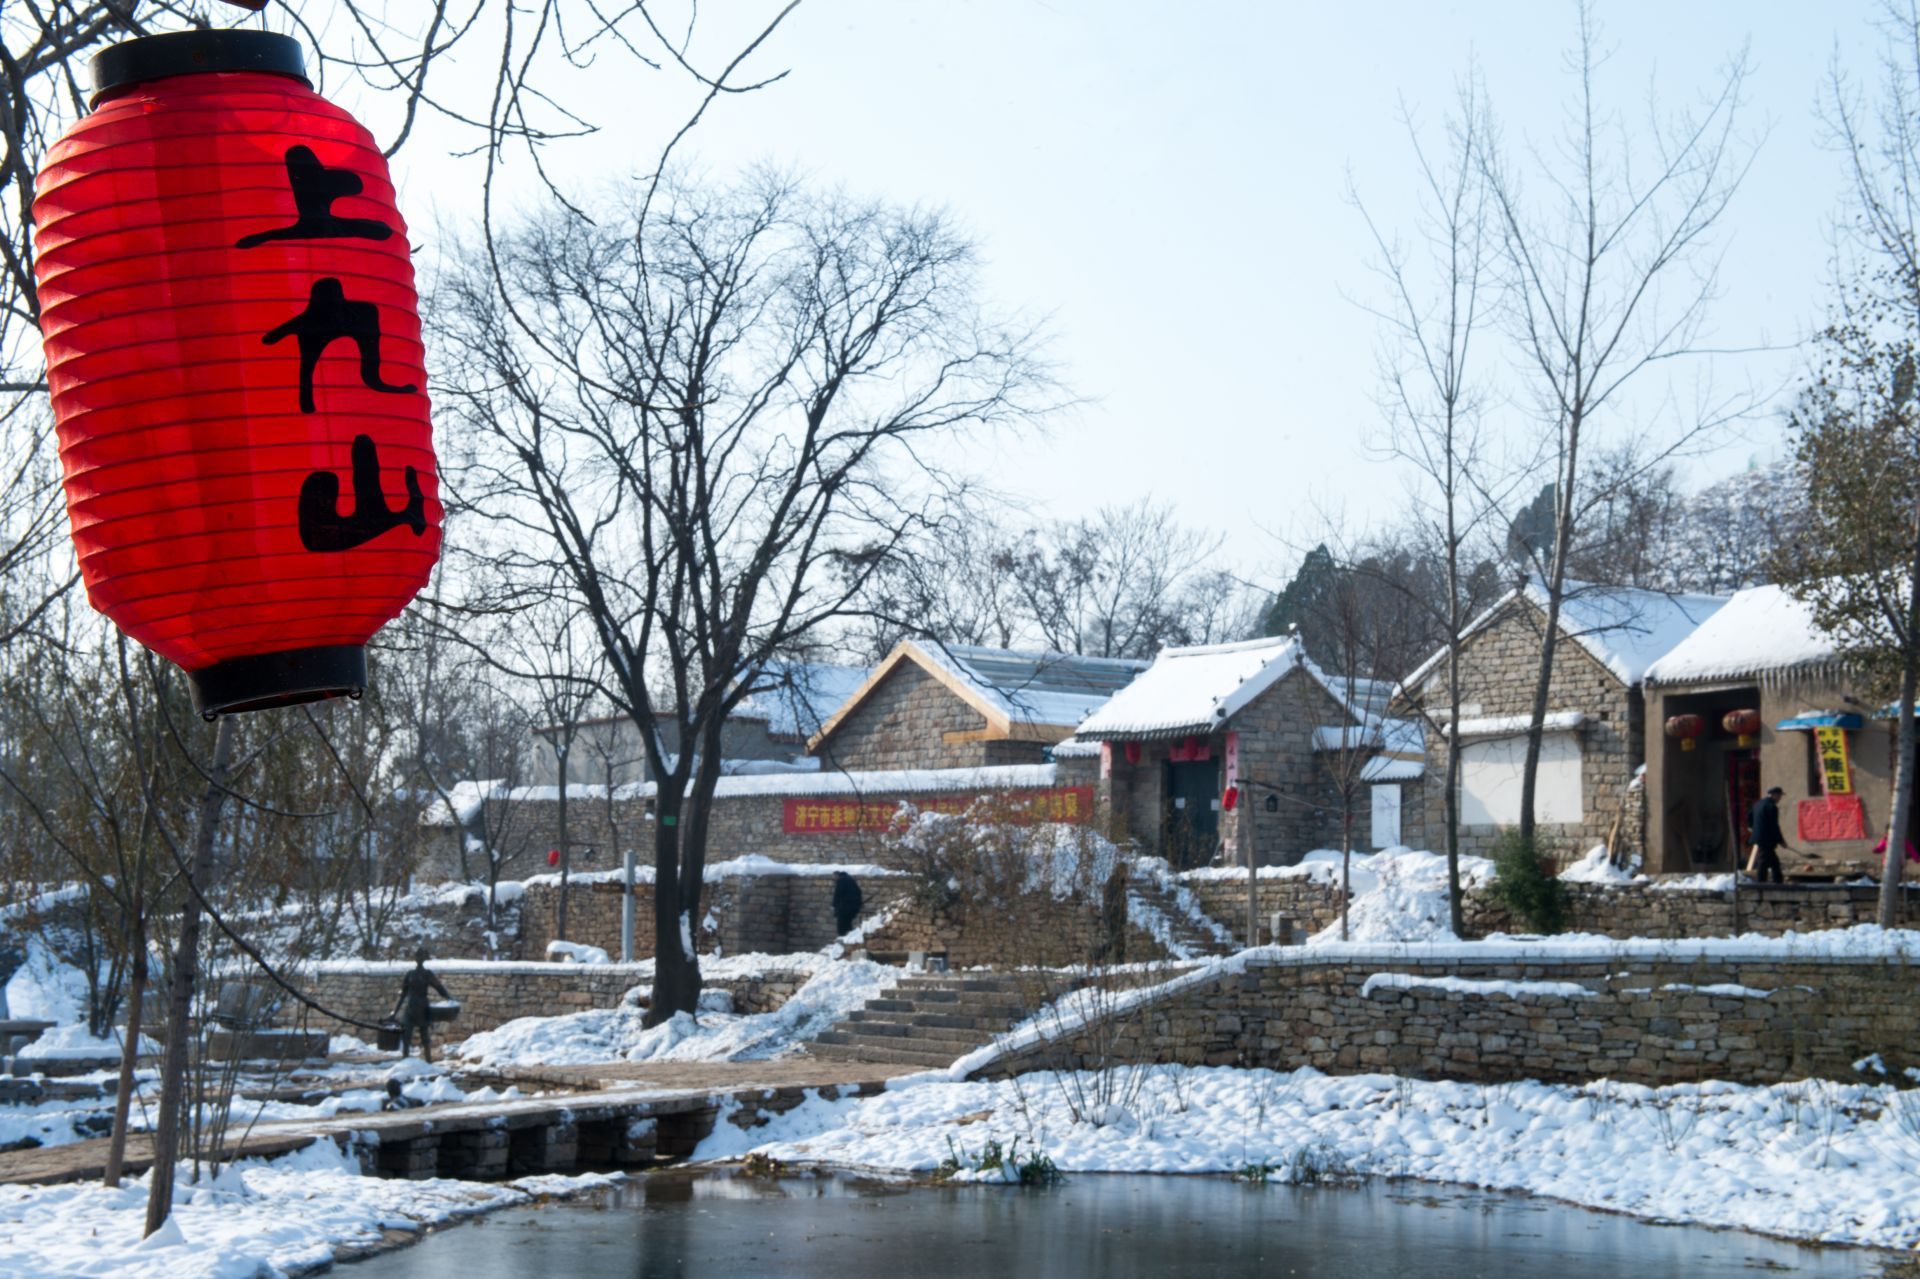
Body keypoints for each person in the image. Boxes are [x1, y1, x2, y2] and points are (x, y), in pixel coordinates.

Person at [391, 947, 451, 1062]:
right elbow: (403, 994)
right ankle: (405, 1061)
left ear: (424, 959)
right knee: (406, 1035)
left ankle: (428, 1061)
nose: (418, 958)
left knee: (425, 1036)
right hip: (410, 1008)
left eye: (420, 956)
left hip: (422, 1008)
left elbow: (439, 988)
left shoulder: (427, 974)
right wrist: (395, 1012)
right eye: (417, 956)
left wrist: (449, 998)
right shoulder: (410, 974)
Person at [1747, 786, 1790, 885]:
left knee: (1772, 861)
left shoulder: (1758, 804)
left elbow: (1749, 817)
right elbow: (1774, 826)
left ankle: (1776, 880)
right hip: (1766, 839)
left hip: (1760, 837)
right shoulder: (1771, 807)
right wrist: (1781, 841)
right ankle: (1762, 882)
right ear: (1774, 795)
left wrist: (1751, 827)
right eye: (1779, 796)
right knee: (1764, 860)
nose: (1780, 798)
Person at [831, 870, 863, 936]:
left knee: (842, 925)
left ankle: (842, 939)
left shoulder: (841, 881)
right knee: (848, 923)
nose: (834, 879)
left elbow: (838, 894)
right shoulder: (851, 879)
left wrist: (834, 905)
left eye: (834, 877)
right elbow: (859, 891)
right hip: (854, 907)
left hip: (845, 907)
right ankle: (849, 939)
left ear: (837, 875)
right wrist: (859, 903)